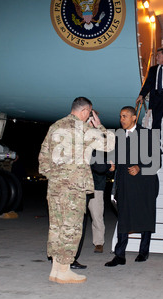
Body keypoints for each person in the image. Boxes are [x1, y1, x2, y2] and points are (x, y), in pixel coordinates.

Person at [38, 97, 115, 283]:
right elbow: (109, 145)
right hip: (74, 189)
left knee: (56, 227)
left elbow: (43, 159)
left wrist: (56, 178)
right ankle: (64, 270)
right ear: (84, 111)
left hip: (55, 188)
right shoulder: (85, 129)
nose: (89, 116)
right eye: (89, 113)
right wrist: (99, 126)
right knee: (71, 229)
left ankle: (56, 270)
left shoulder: (55, 127)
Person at [105, 106, 160, 267]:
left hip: (145, 185)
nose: (122, 119)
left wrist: (140, 168)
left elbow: (157, 162)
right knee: (123, 219)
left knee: (145, 217)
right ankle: (119, 255)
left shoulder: (147, 135)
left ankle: (143, 251)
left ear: (134, 118)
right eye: (120, 116)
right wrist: (112, 167)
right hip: (125, 185)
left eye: (125, 116)